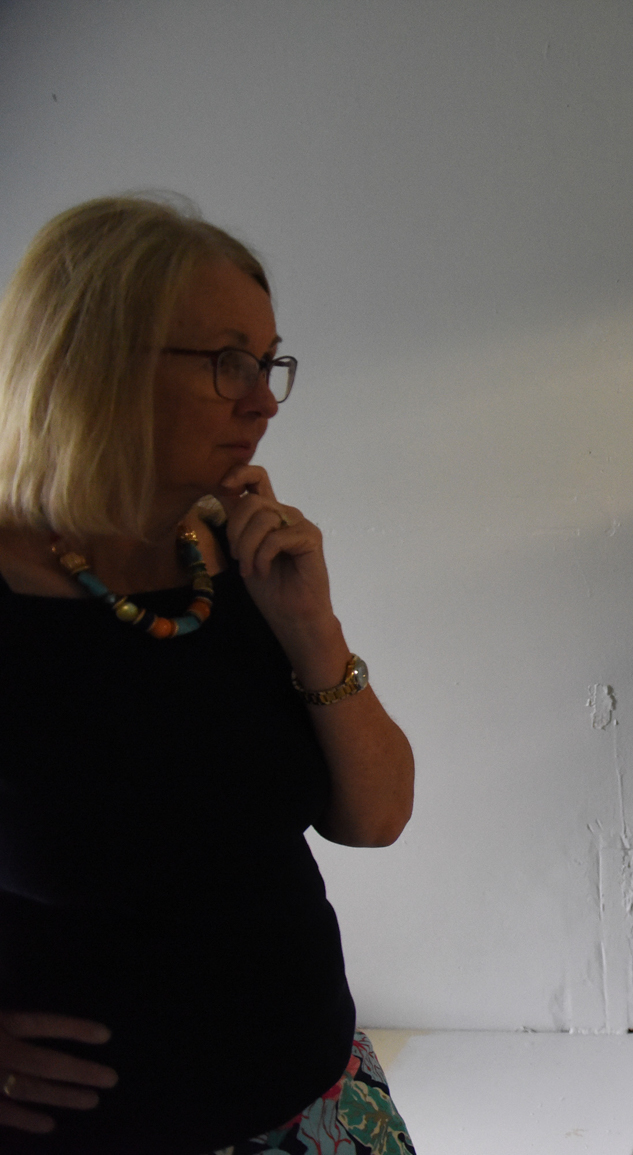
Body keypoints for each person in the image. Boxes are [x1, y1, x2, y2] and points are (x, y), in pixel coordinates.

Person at [0, 197, 417, 1153]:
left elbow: (377, 816)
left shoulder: (236, 555)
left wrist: (310, 627)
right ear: (90, 357)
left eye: (268, 364)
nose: (262, 398)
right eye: (227, 360)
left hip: (321, 1107)